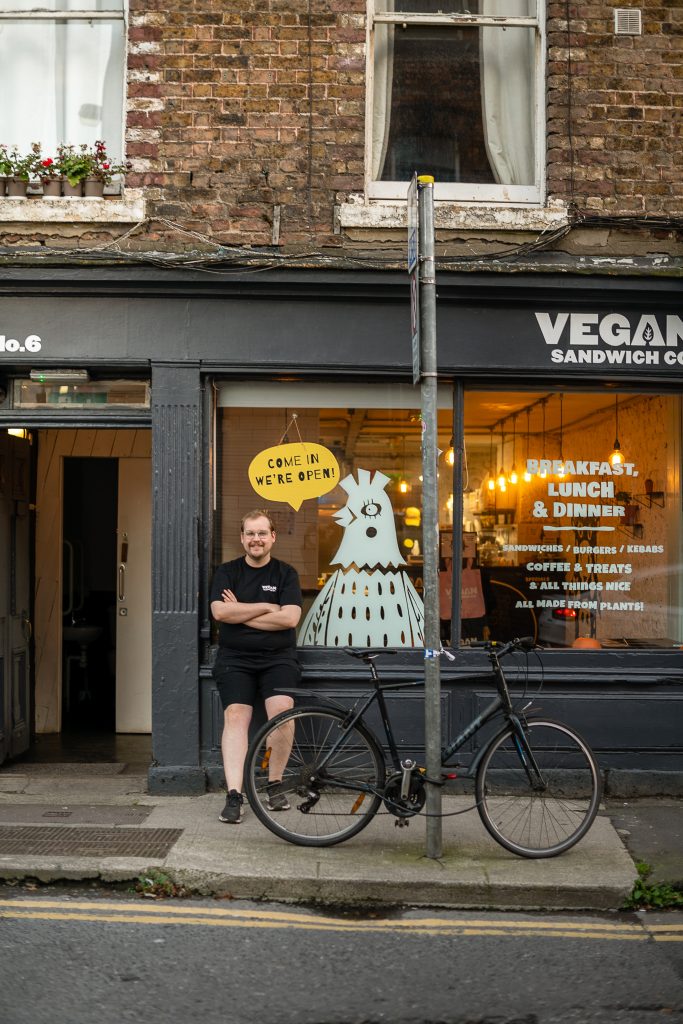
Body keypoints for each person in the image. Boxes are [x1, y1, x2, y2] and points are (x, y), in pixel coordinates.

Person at [210, 509, 302, 823]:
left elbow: (289, 619)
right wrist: (265, 607)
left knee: (282, 712)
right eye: (250, 533)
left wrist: (241, 612)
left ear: (273, 537)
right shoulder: (227, 572)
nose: (256, 539)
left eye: (262, 533)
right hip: (235, 659)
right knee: (236, 716)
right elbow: (220, 614)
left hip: (278, 658)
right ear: (242, 538)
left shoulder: (285, 573)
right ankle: (235, 794)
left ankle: (274, 784)